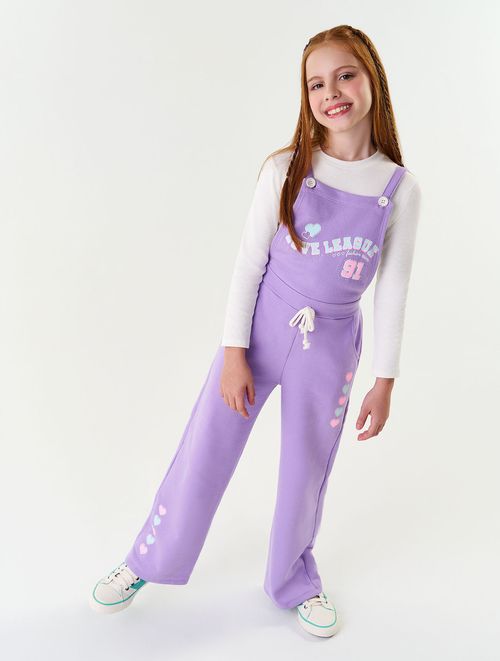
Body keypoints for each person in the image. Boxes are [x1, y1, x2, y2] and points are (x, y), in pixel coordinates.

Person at [89, 25, 421, 639]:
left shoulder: (398, 189)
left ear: (372, 78)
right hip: (261, 331)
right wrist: (234, 354)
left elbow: (393, 288)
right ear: (306, 96)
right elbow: (248, 265)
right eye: (316, 84)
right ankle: (147, 559)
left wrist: (385, 380)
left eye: (345, 76)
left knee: (306, 468)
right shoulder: (286, 168)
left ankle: (293, 580)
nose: (332, 93)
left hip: (331, 346)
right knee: (206, 449)